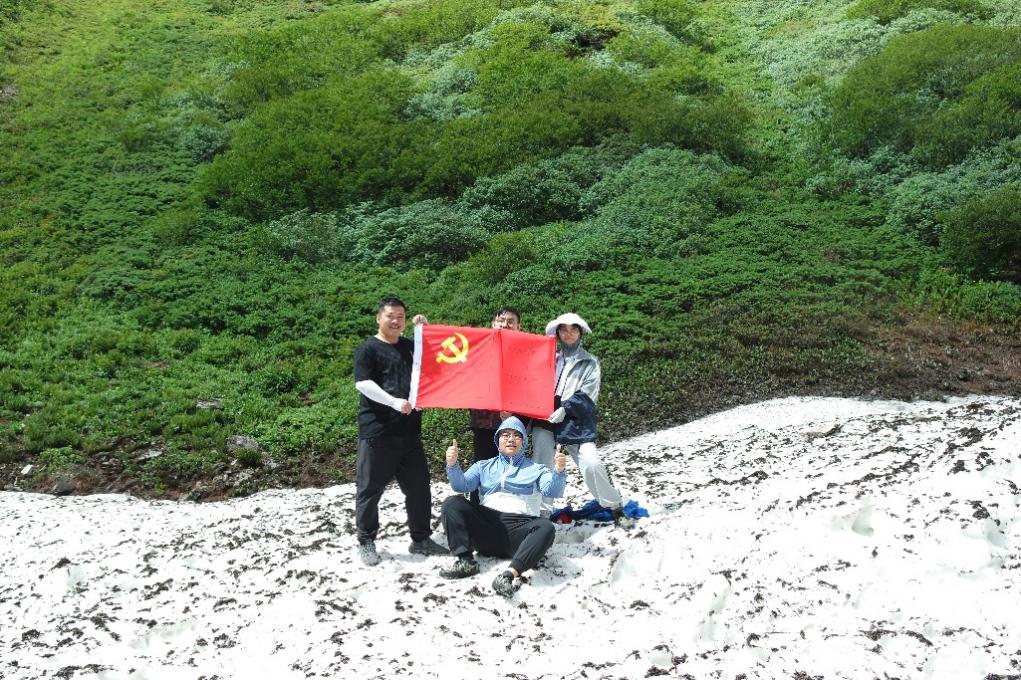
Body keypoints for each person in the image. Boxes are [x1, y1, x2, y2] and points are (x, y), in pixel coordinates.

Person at [353, 296, 447, 566]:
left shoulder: (408, 346)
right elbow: (363, 384)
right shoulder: (368, 349)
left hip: (410, 433)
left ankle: (420, 538)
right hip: (378, 432)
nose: (396, 321)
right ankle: (366, 540)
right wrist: (393, 402)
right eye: (390, 316)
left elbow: (433, 360)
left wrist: (424, 331)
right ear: (379, 318)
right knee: (370, 490)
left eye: (401, 317)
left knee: (419, 488)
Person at [440, 416, 568, 597]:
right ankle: (465, 561)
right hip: (487, 527)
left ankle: (509, 574)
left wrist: (559, 471)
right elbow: (461, 485)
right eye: (505, 435)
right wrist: (452, 465)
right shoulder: (483, 466)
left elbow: (553, 490)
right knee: (452, 503)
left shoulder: (537, 469)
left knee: (546, 527)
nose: (510, 439)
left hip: (518, 532)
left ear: (523, 442)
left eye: (517, 435)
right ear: (497, 440)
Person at [531, 312, 635, 529]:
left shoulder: (590, 361)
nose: (568, 333)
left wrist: (565, 408)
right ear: (557, 333)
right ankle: (541, 515)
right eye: (564, 329)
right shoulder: (547, 358)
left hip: (576, 420)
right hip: (546, 417)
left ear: (580, 333)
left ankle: (615, 507)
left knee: (592, 464)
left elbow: (588, 395)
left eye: (573, 329)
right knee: (543, 466)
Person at [467, 306, 524, 504]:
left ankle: (507, 516)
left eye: (511, 321)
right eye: (501, 320)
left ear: (518, 327)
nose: (505, 324)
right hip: (484, 422)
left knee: (511, 472)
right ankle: (477, 512)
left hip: (514, 425)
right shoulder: (480, 347)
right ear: (493, 324)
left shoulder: (525, 352)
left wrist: (515, 410)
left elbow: (530, 386)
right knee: (482, 468)